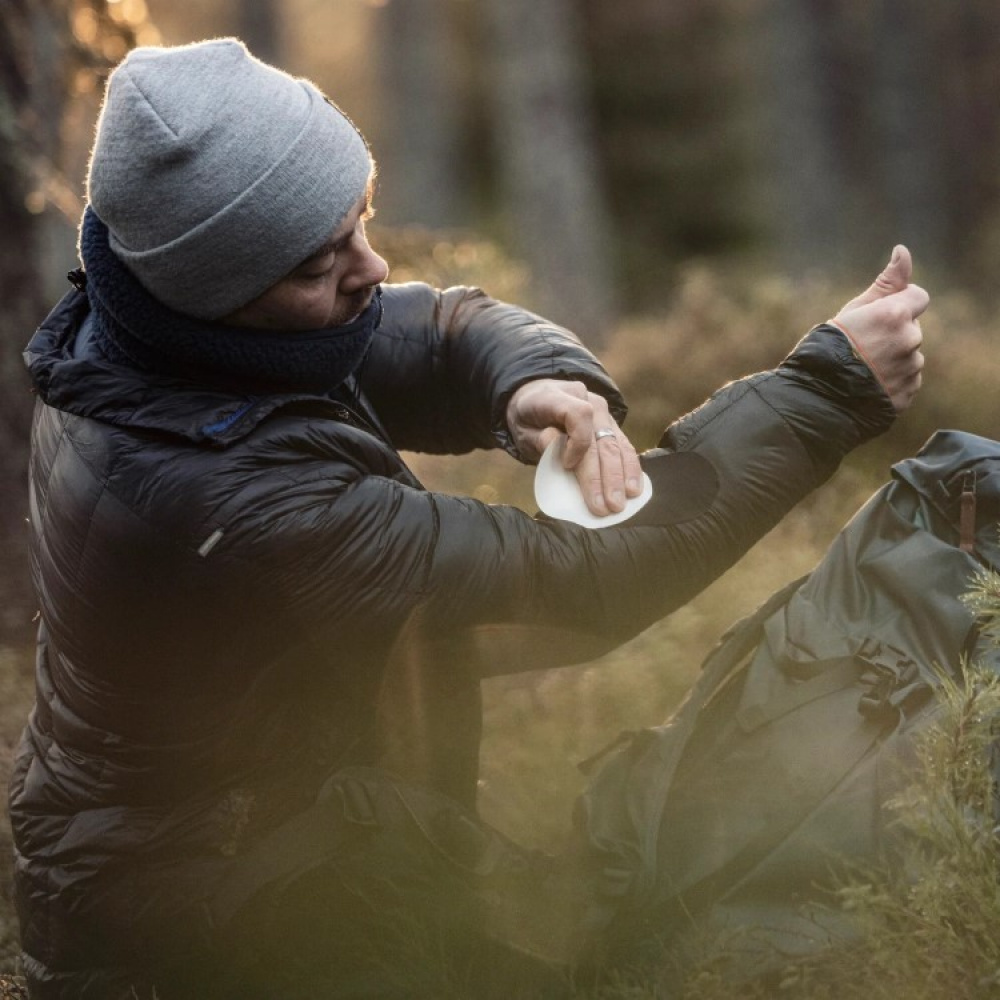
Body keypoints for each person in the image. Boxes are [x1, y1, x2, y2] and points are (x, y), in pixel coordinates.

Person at [9, 38, 926, 1000]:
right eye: (324, 259)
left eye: (358, 218)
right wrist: (830, 390)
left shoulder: (154, 335)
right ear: (219, 295)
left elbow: (432, 327)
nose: (373, 263)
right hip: (189, 937)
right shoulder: (231, 498)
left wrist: (534, 384)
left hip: (260, 842)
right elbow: (590, 577)